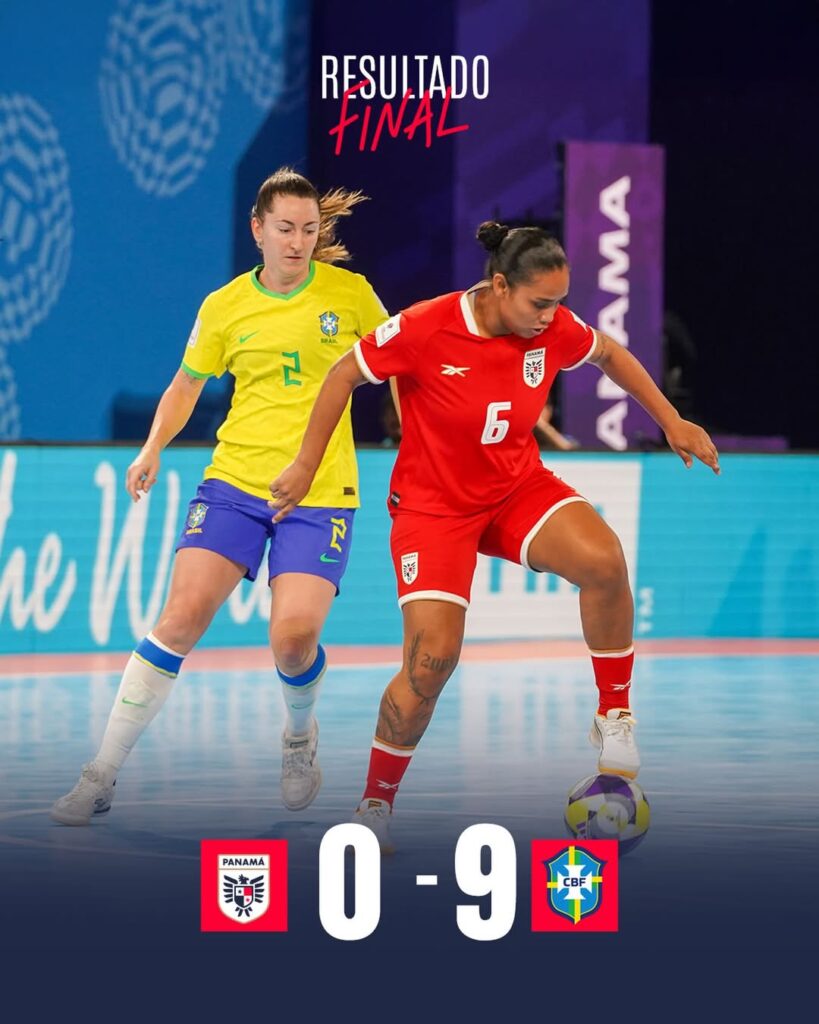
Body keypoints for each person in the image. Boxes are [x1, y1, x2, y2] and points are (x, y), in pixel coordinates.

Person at [268, 221, 720, 853]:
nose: (552, 316)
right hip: (433, 509)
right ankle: (375, 804)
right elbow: (343, 374)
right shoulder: (427, 326)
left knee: (604, 559)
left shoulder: (550, 328)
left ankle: (613, 713)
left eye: (559, 303)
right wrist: (305, 465)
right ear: (500, 286)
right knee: (431, 662)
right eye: (540, 303)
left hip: (514, 487)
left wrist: (671, 421)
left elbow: (609, 354)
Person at [51, 168, 387, 825]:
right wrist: (151, 448)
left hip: (320, 493)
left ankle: (299, 737)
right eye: (285, 229)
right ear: (258, 229)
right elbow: (185, 386)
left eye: (309, 230)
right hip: (235, 484)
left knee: (293, 643)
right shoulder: (225, 306)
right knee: (178, 620)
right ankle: (101, 773)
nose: (297, 242)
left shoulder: (350, 296)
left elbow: (405, 358)